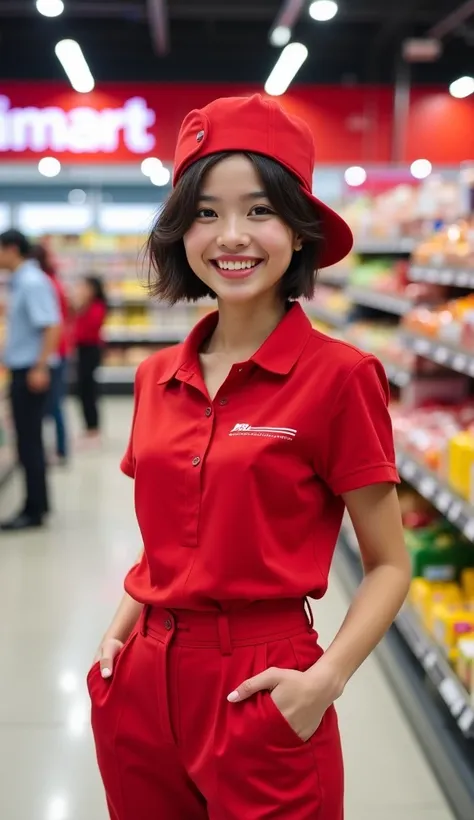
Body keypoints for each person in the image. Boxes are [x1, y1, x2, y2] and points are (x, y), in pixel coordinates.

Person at [87, 95, 411, 819]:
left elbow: (391, 563)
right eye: (205, 212)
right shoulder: (155, 377)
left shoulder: (340, 377)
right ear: (181, 232)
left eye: (259, 210)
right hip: (142, 681)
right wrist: (117, 635)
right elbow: (165, 545)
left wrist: (323, 682)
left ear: (299, 231)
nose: (231, 235)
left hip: (262, 684)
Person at [0, 230, 60, 530]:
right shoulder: (22, 280)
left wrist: (39, 366)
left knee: (29, 443)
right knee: (29, 440)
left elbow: (51, 326)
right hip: (23, 368)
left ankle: (33, 510)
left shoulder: (31, 281)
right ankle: (38, 504)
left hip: (29, 371)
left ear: (12, 249)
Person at [30, 243, 70, 464]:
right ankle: (60, 449)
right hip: (59, 349)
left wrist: (42, 361)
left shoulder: (44, 284)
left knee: (53, 405)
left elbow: (52, 325)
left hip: (54, 351)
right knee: (55, 404)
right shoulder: (54, 282)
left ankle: (61, 451)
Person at [73, 276, 107, 442]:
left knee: (88, 389)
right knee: (82, 389)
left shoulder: (97, 307)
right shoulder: (82, 306)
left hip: (90, 350)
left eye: (85, 287)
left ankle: (93, 429)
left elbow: (91, 328)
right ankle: (88, 427)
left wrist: (81, 306)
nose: (82, 290)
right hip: (81, 350)